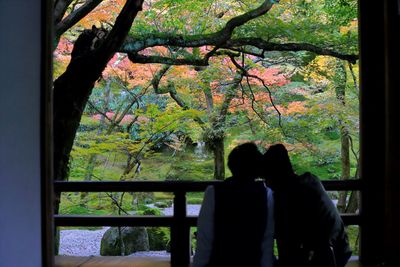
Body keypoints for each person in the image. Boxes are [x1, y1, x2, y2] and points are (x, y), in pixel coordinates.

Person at [262, 143, 352, 267]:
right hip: (341, 249)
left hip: (324, 258)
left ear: (274, 176)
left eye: (267, 178)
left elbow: (287, 243)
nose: (266, 183)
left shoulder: (288, 197)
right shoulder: (311, 180)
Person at [193, 142, 275, 267]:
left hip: (220, 260)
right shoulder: (265, 193)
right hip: (252, 260)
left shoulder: (214, 192)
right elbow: (267, 239)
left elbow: (205, 236)